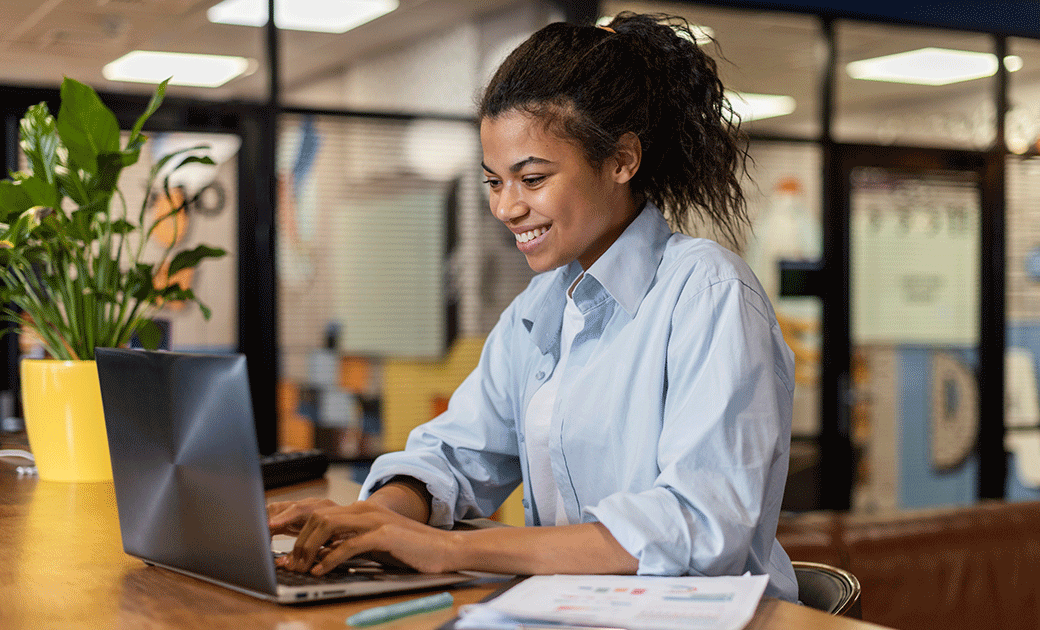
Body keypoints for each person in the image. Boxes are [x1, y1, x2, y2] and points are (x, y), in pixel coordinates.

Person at [268, 11, 799, 602]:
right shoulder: (542, 306)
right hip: (579, 610)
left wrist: (451, 549)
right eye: (494, 182)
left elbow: (698, 528)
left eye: (533, 178)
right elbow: (455, 451)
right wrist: (383, 517)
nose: (507, 208)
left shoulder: (709, 294)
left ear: (622, 160)